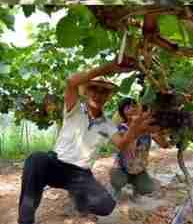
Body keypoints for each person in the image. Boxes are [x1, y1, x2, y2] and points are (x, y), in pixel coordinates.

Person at [17, 61, 161, 224]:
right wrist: (105, 69)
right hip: (55, 164)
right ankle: (25, 220)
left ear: (108, 97)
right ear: (85, 91)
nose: (98, 94)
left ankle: (79, 200)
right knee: (36, 159)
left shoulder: (107, 124)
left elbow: (121, 144)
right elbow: (71, 83)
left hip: (79, 175)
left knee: (106, 206)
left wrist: (134, 129)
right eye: (94, 88)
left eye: (104, 91)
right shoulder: (75, 108)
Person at [110, 97, 169, 204]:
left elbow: (164, 144)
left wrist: (162, 131)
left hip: (138, 168)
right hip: (122, 167)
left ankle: (136, 190)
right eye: (127, 108)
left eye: (134, 106)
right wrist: (140, 129)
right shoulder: (121, 128)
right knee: (117, 181)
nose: (132, 109)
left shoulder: (149, 128)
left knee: (147, 188)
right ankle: (116, 190)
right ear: (122, 113)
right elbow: (127, 144)